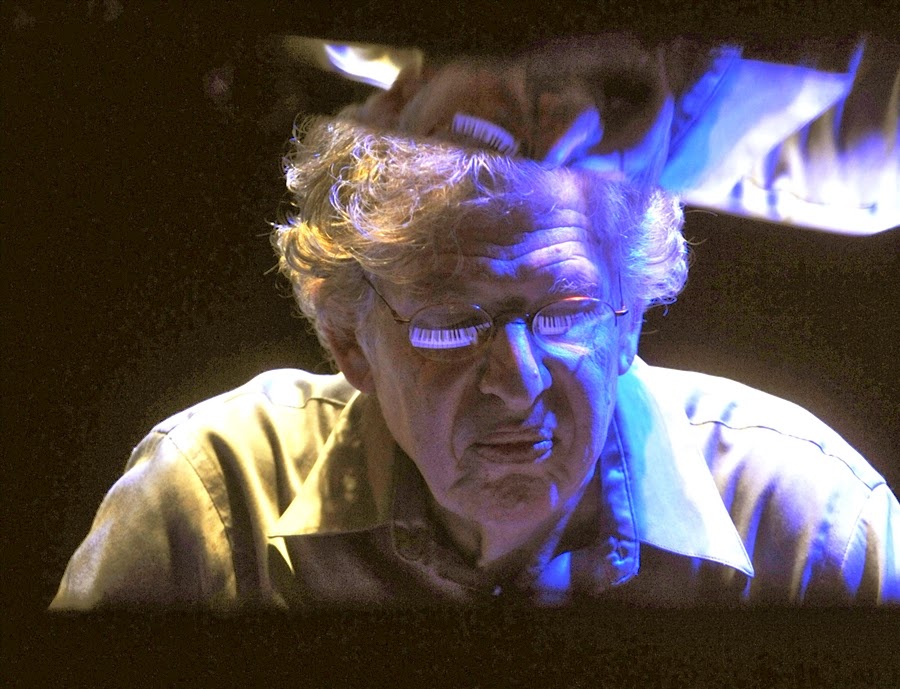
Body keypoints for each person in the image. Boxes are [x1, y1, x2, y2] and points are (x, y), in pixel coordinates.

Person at [51, 34, 899, 609]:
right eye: (452, 325)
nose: (519, 379)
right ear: (348, 342)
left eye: (567, 312)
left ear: (630, 320)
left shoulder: (816, 529)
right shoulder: (210, 506)